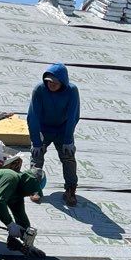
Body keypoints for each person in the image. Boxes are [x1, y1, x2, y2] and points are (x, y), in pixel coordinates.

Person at [27, 62, 80, 207]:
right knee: (36, 156)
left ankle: (70, 189)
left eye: (55, 83)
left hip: (63, 130)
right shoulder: (39, 90)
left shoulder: (72, 91)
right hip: (44, 129)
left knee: (68, 157)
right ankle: (34, 187)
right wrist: (36, 141)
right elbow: (33, 116)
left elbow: (73, 116)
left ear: (63, 82)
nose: (51, 85)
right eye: (48, 81)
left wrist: (68, 140)